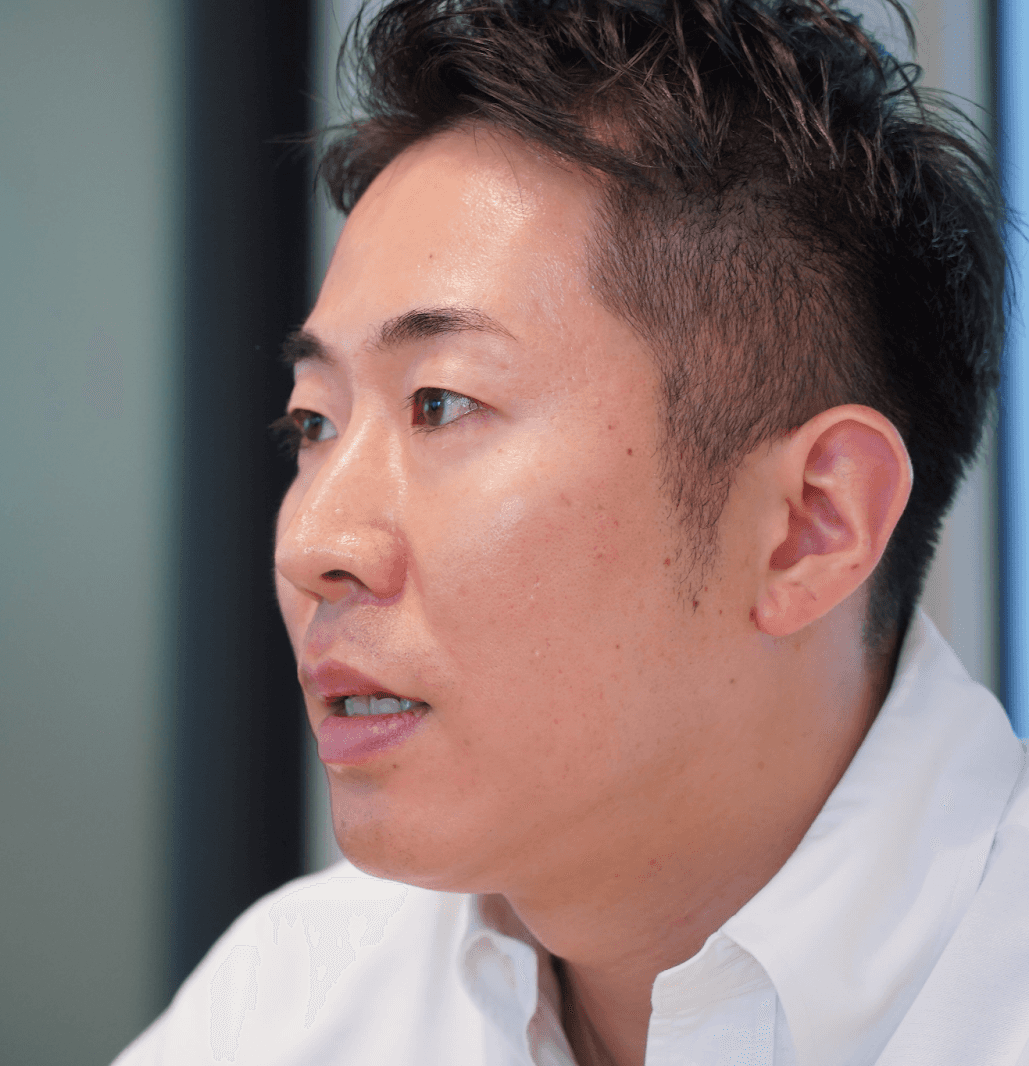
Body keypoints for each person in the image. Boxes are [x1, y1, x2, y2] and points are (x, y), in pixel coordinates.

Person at [115, 1, 1026, 1063]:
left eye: (441, 403)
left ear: (808, 526)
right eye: (313, 422)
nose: (310, 540)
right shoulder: (290, 1003)